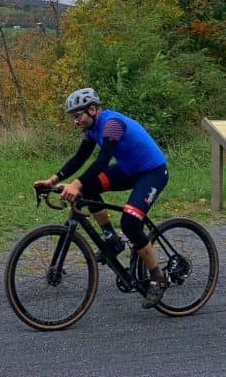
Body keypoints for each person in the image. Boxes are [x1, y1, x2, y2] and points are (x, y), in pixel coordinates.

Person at [35, 87, 170, 308]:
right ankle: (111, 239)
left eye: (78, 116)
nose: (75, 122)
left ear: (93, 110)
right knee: (87, 189)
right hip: (129, 170)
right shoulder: (91, 130)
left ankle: (158, 277)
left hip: (152, 173)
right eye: (73, 117)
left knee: (130, 222)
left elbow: (102, 162)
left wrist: (76, 184)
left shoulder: (112, 124)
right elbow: (79, 158)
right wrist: (53, 180)